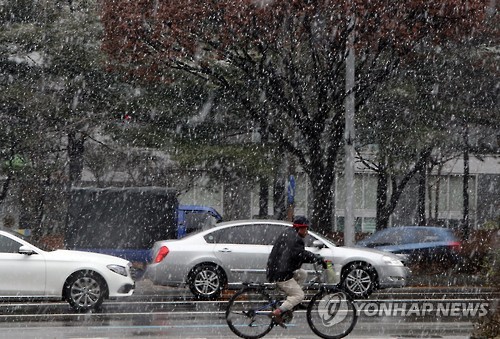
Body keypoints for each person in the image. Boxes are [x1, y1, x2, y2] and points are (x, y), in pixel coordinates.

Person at [266, 216, 327, 325]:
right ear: (301, 228)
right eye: (306, 229)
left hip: (278, 269)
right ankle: (278, 312)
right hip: (281, 273)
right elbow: (300, 255)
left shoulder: (289, 234)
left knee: (302, 274)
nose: (307, 232)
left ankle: (292, 303)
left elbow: (297, 254)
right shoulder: (296, 239)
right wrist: (316, 258)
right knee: (299, 295)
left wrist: (313, 257)